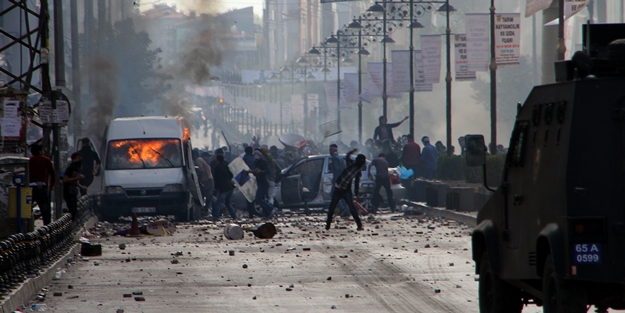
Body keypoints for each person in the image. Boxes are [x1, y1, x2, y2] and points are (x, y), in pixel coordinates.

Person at [325, 149, 365, 231]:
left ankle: (359, 225)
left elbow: (357, 183)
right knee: (332, 207)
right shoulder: (351, 164)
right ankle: (328, 225)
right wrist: (352, 151)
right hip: (338, 188)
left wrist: (357, 193)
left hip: (346, 190)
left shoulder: (358, 172)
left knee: (351, 208)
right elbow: (347, 156)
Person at [29, 144, 55, 225]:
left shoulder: (28, 159)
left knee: (27, 209)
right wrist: (51, 185)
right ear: (40, 151)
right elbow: (53, 174)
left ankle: (27, 226)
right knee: (45, 210)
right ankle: (47, 229)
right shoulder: (46, 160)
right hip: (41, 188)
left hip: (29, 188)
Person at [249, 148, 277, 218]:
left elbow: (267, 171)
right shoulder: (256, 162)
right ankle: (267, 213)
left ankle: (271, 208)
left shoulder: (263, 162)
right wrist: (251, 171)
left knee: (258, 199)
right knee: (262, 199)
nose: (256, 155)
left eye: (257, 153)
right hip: (259, 182)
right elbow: (256, 173)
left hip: (264, 182)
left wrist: (260, 171)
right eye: (254, 153)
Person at [212, 154, 237, 221]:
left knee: (218, 202)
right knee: (227, 203)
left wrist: (215, 187)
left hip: (224, 188)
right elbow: (231, 175)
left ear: (217, 160)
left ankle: (216, 216)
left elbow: (217, 179)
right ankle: (233, 215)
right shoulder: (226, 166)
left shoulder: (218, 168)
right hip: (230, 187)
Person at [63, 152, 86, 220]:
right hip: (68, 191)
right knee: (72, 210)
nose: (80, 160)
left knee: (75, 210)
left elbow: (75, 182)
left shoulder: (76, 169)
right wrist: (77, 178)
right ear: (74, 159)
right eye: (78, 158)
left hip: (73, 191)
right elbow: (65, 179)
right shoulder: (70, 168)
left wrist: (82, 187)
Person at [329, 144, 349, 216]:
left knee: (332, 195)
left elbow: (336, 169)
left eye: (331, 149)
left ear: (335, 150)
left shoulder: (334, 158)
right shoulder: (340, 158)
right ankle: (347, 211)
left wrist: (335, 179)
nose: (330, 151)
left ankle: (342, 208)